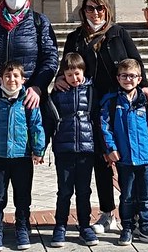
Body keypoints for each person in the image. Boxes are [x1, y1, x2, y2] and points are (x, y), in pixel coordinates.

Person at [55, 0, 148, 235]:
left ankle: (132, 218)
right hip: (90, 105)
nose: (95, 13)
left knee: (124, 160)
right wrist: (59, 78)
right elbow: (67, 64)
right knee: (102, 160)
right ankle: (107, 213)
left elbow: (136, 61)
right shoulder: (75, 37)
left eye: (99, 8)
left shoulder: (118, 33)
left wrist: (146, 87)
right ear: (83, 11)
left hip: (118, 105)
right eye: (90, 8)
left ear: (107, 9)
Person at [99, 58, 148, 247]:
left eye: (132, 76)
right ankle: (127, 227)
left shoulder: (146, 101)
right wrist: (111, 149)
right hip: (125, 159)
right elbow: (105, 128)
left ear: (139, 79)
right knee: (127, 196)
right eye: (124, 76)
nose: (128, 79)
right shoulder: (112, 102)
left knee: (145, 196)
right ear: (118, 78)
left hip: (145, 157)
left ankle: (145, 226)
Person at [0, 61, 46, 252]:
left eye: (16, 76)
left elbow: (36, 125)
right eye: (7, 76)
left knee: (22, 195)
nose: (11, 79)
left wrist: (38, 149)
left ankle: (22, 227)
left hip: (22, 156)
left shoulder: (28, 102)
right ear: (1, 79)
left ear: (23, 80)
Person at [44, 53, 100, 248]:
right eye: (69, 75)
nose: (74, 78)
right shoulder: (58, 94)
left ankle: (85, 226)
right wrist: (41, 147)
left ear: (83, 72)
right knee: (64, 190)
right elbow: (49, 120)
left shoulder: (92, 91)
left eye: (77, 73)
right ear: (63, 76)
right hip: (64, 148)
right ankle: (60, 226)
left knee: (84, 191)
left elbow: (98, 119)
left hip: (86, 148)